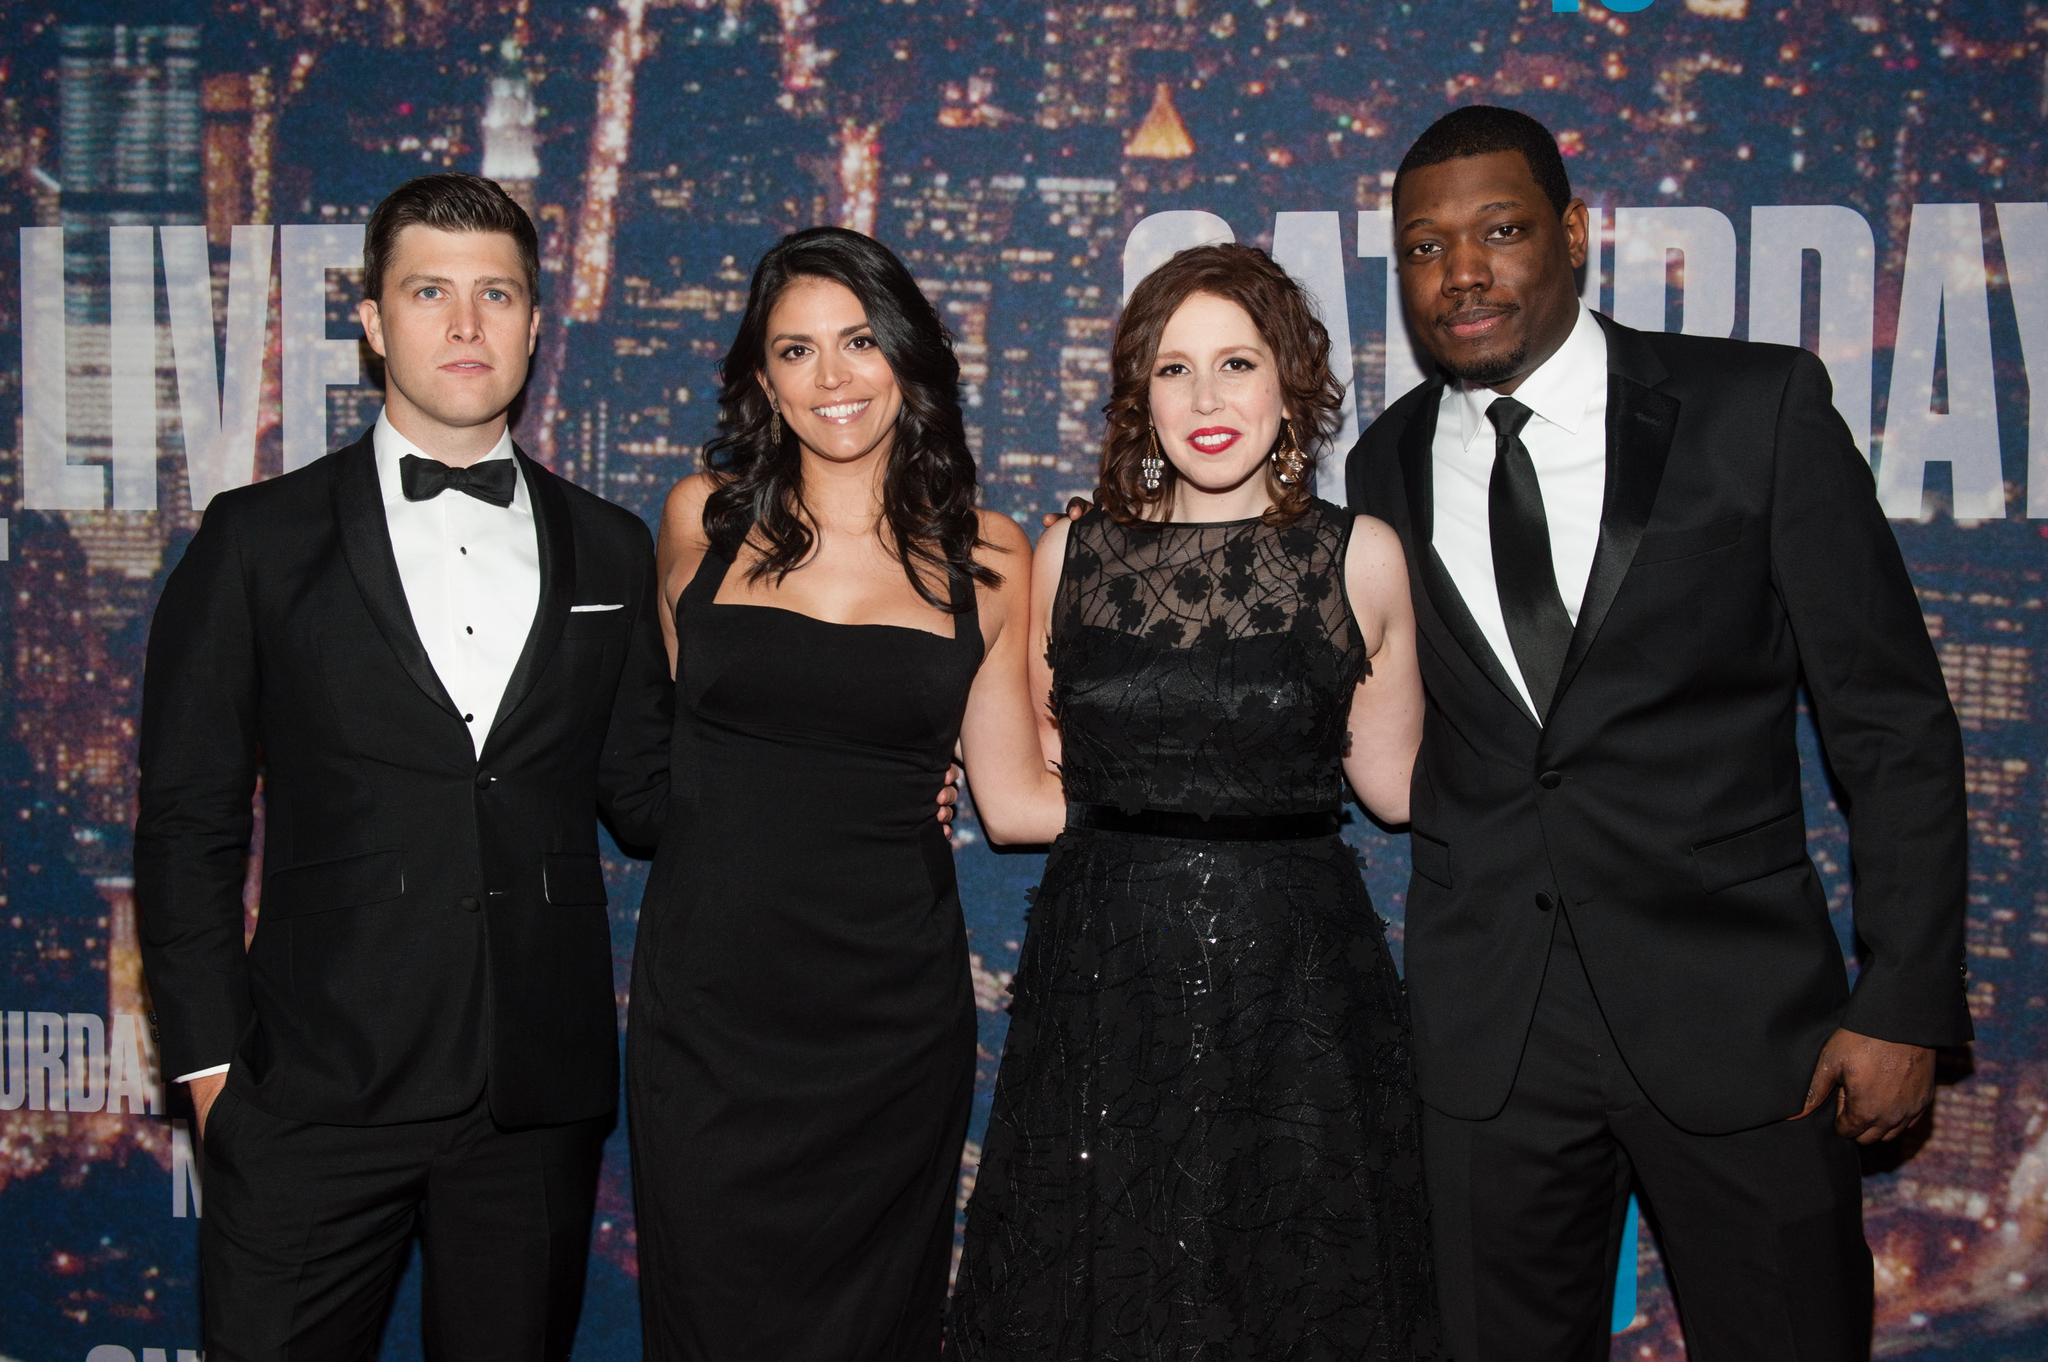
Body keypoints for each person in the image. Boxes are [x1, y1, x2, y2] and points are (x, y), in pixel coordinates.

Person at [1344, 105, 1970, 1360]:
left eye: (1501, 230)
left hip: (1742, 1029)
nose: (1460, 272)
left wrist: (1901, 1000)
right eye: (1423, 247)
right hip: (1488, 1048)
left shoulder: (1754, 408)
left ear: (1572, 235)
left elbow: (1889, 719)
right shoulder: (1383, 466)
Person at [135, 172, 672, 1359]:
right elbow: (186, 826)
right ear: (374, 320)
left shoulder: (612, 544)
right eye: (430, 291)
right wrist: (218, 1081)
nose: (466, 324)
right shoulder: (256, 540)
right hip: (309, 1096)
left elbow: (647, 796)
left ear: (537, 323)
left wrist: (856, 768)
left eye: (497, 294)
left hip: (534, 1106)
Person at [952, 243, 1440, 1359]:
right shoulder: (1069, 551)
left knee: (1293, 1286)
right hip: (1101, 983)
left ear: (1291, 384)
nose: (1207, 399)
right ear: (1138, 392)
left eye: (1237, 362)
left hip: (1298, 991)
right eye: (1173, 370)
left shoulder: (1358, 556)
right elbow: (1027, 777)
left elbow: (1394, 784)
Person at [625, 225, 1064, 1362]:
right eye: (794, 350)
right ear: (760, 380)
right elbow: (674, 738)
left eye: (858, 341)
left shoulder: (990, 558)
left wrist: (1216, 760)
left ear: (906, 355)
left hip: (887, 1026)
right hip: (710, 1015)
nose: (831, 378)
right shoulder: (698, 521)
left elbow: (1017, 801)